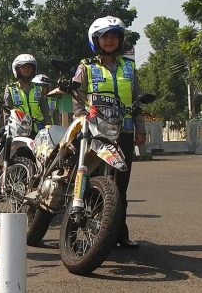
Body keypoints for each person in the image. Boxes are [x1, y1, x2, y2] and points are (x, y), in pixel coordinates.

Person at [71, 15, 146, 249]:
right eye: (106, 37)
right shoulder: (86, 66)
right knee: (86, 181)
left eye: (115, 36)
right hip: (94, 132)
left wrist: (140, 129)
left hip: (122, 132)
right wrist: (81, 116)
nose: (111, 40)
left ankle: (119, 233)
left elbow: (137, 102)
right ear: (96, 40)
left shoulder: (129, 67)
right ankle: (76, 233)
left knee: (120, 186)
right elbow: (77, 98)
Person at [4, 54, 53, 138]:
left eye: (29, 67)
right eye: (23, 67)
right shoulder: (10, 88)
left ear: (33, 69)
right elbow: (7, 112)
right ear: (17, 69)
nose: (27, 69)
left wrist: (49, 127)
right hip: (19, 130)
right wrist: (7, 128)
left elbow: (45, 111)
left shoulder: (39, 88)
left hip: (39, 130)